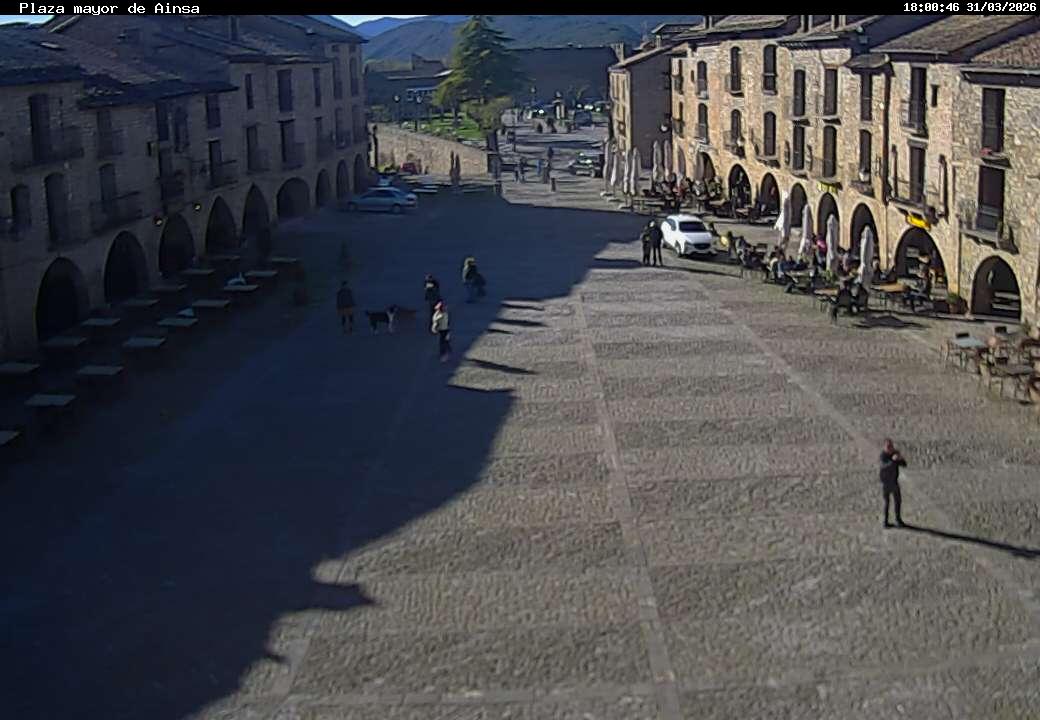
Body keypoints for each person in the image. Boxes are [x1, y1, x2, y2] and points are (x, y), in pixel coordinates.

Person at [880, 438, 907, 527]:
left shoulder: (895, 453)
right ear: (884, 447)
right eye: (888, 447)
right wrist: (893, 460)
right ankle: (885, 521)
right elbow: (884, 466)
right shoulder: (883, 456)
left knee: (897, 501)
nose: (890, 448)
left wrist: (900, 459)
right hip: (886, 482)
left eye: (891, 446)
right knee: (886, 502)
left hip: (894, 481)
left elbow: (904, 464)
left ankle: (898, 519)